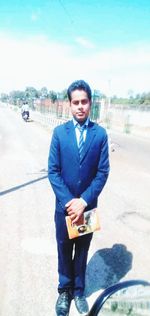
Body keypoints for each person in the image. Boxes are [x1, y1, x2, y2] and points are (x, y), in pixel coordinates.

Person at [48, 80, 110, 316]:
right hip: (64, 209)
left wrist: (83, 200)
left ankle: (79, 291)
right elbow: (53, 171)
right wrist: (69, 202)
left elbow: (103, 172)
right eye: (76, 102)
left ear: (90, 103)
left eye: (84, 102)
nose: (80, 107)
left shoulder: (100, 134)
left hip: (86, 208)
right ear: (69, 104)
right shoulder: (59, 134)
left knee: (82, 250)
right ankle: (65, 290)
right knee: (64, 249)